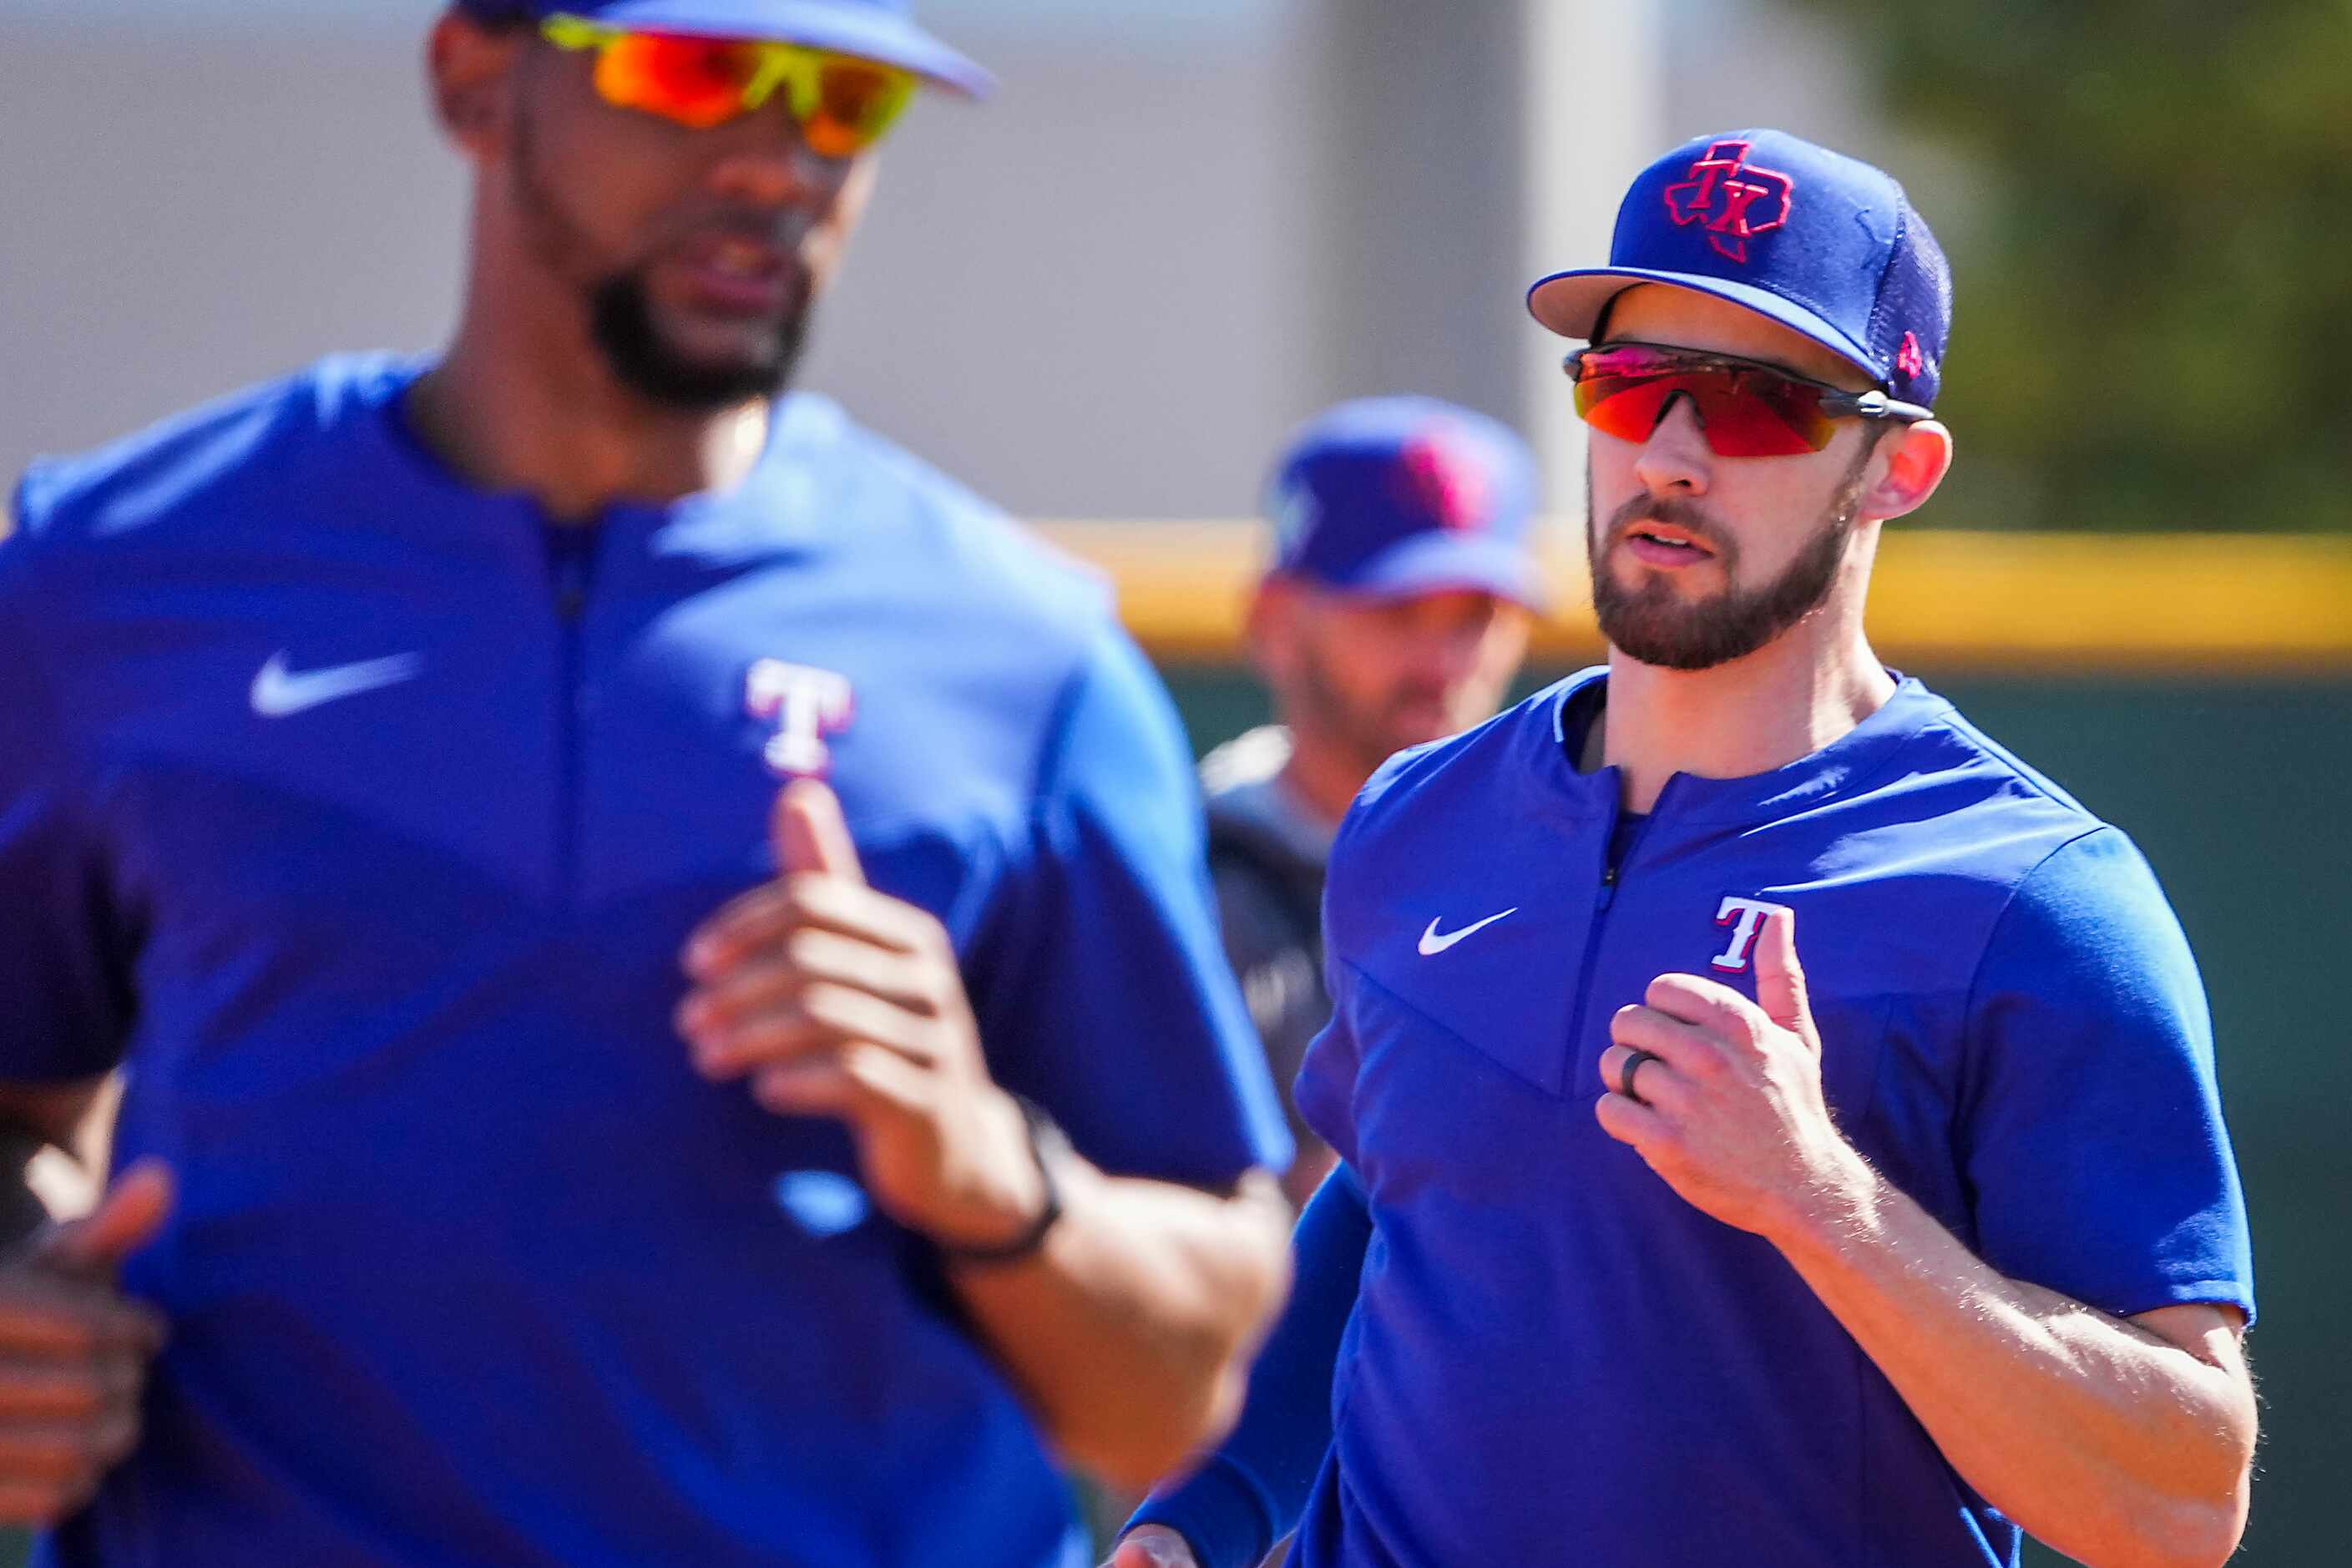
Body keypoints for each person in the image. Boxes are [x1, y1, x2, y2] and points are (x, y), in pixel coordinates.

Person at [0, 3, 1296, 1563]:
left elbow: (1185, 1394)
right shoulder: (112, 578)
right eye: (695, 72)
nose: (777, 163)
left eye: (840, 102)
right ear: (475, 77)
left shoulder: (1024, 656)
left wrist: (984, 1167)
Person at [1113, 128, 2257, 1568]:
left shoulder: (2032, 899)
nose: (1669, 451)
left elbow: (2177, 1504)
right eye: (1633, 382)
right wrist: (1205, 1510)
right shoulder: (1417, 815)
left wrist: (1822, 1201)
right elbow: (1388, 1190)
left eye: (1758, 404)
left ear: (1897, 468)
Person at [1199, 398, 1541, 1210]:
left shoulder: (1562, 873)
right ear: (1274, 621)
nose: (1443, 661)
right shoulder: (1181, 883)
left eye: (1476, 616)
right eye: (1397, 611)